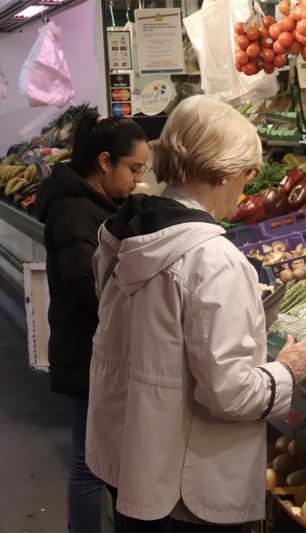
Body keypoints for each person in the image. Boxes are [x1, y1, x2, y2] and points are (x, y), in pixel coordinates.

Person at [85, 95, 306, 531]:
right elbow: (230, 393)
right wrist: (286, 371)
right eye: (246, 174)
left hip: (132, 459)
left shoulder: (121, 232)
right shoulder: (214, 261)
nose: (245, 187)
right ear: (224, 171)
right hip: (188, 486)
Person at [35, 112, 149, 532]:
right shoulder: (74, 213)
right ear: (105, 162)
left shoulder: (97, 204)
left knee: (106, 460)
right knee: (88, 465)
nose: (138, 179)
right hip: (85, 351)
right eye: (134, 169)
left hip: (93, 348)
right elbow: (88, 288)